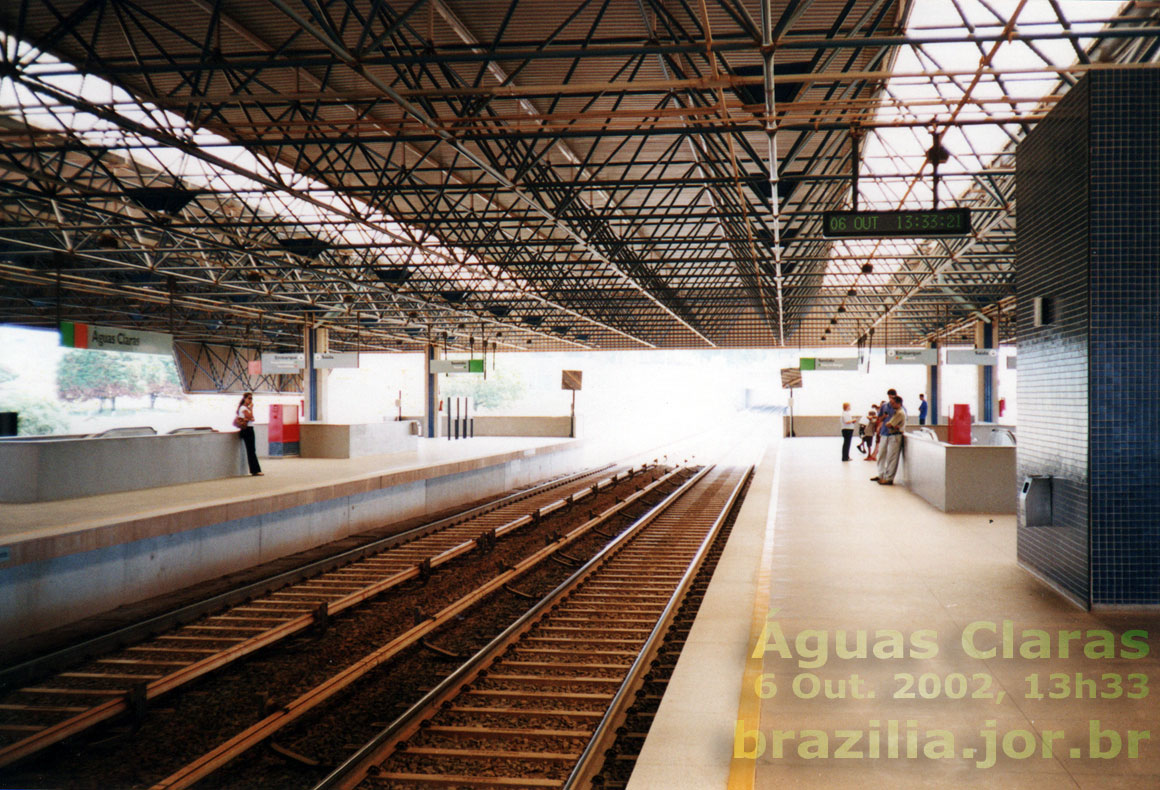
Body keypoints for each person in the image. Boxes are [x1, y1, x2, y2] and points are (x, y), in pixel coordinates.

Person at [873, 394, 907, 485]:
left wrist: (891, 424)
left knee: (892, 458)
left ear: (898, 403)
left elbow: (889, 424)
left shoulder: (900, 412)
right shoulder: (891, 409)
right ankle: (882, 475)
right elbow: (883, 421)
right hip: (887, 434)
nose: (891, 405)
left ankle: (889, 478)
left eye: (893, 403)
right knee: (882, 455)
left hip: (895, 436)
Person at [235, 392, 263, 476]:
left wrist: (250, 416)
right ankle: (255, 470)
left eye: (252, 399)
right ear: (244, 398)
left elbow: (252, 418)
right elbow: (251, 417)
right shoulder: (243, 408)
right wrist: (251, 409)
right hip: (247, 430)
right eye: (249, 398)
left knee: (252, 449)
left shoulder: (246, 408)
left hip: (250, 428)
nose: (250, 400)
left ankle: (255, 469)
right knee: (251, 450)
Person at [866, 388, 896, 462]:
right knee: (880, 445)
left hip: (892, 432)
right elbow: (880, 418)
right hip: (884, 431)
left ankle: (874, 455)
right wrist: (880, 425)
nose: (891, 399)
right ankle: (874, 456)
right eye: (889, 397)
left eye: (892, 397)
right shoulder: (885, 406)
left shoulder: (898, 407)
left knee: (885, 448)